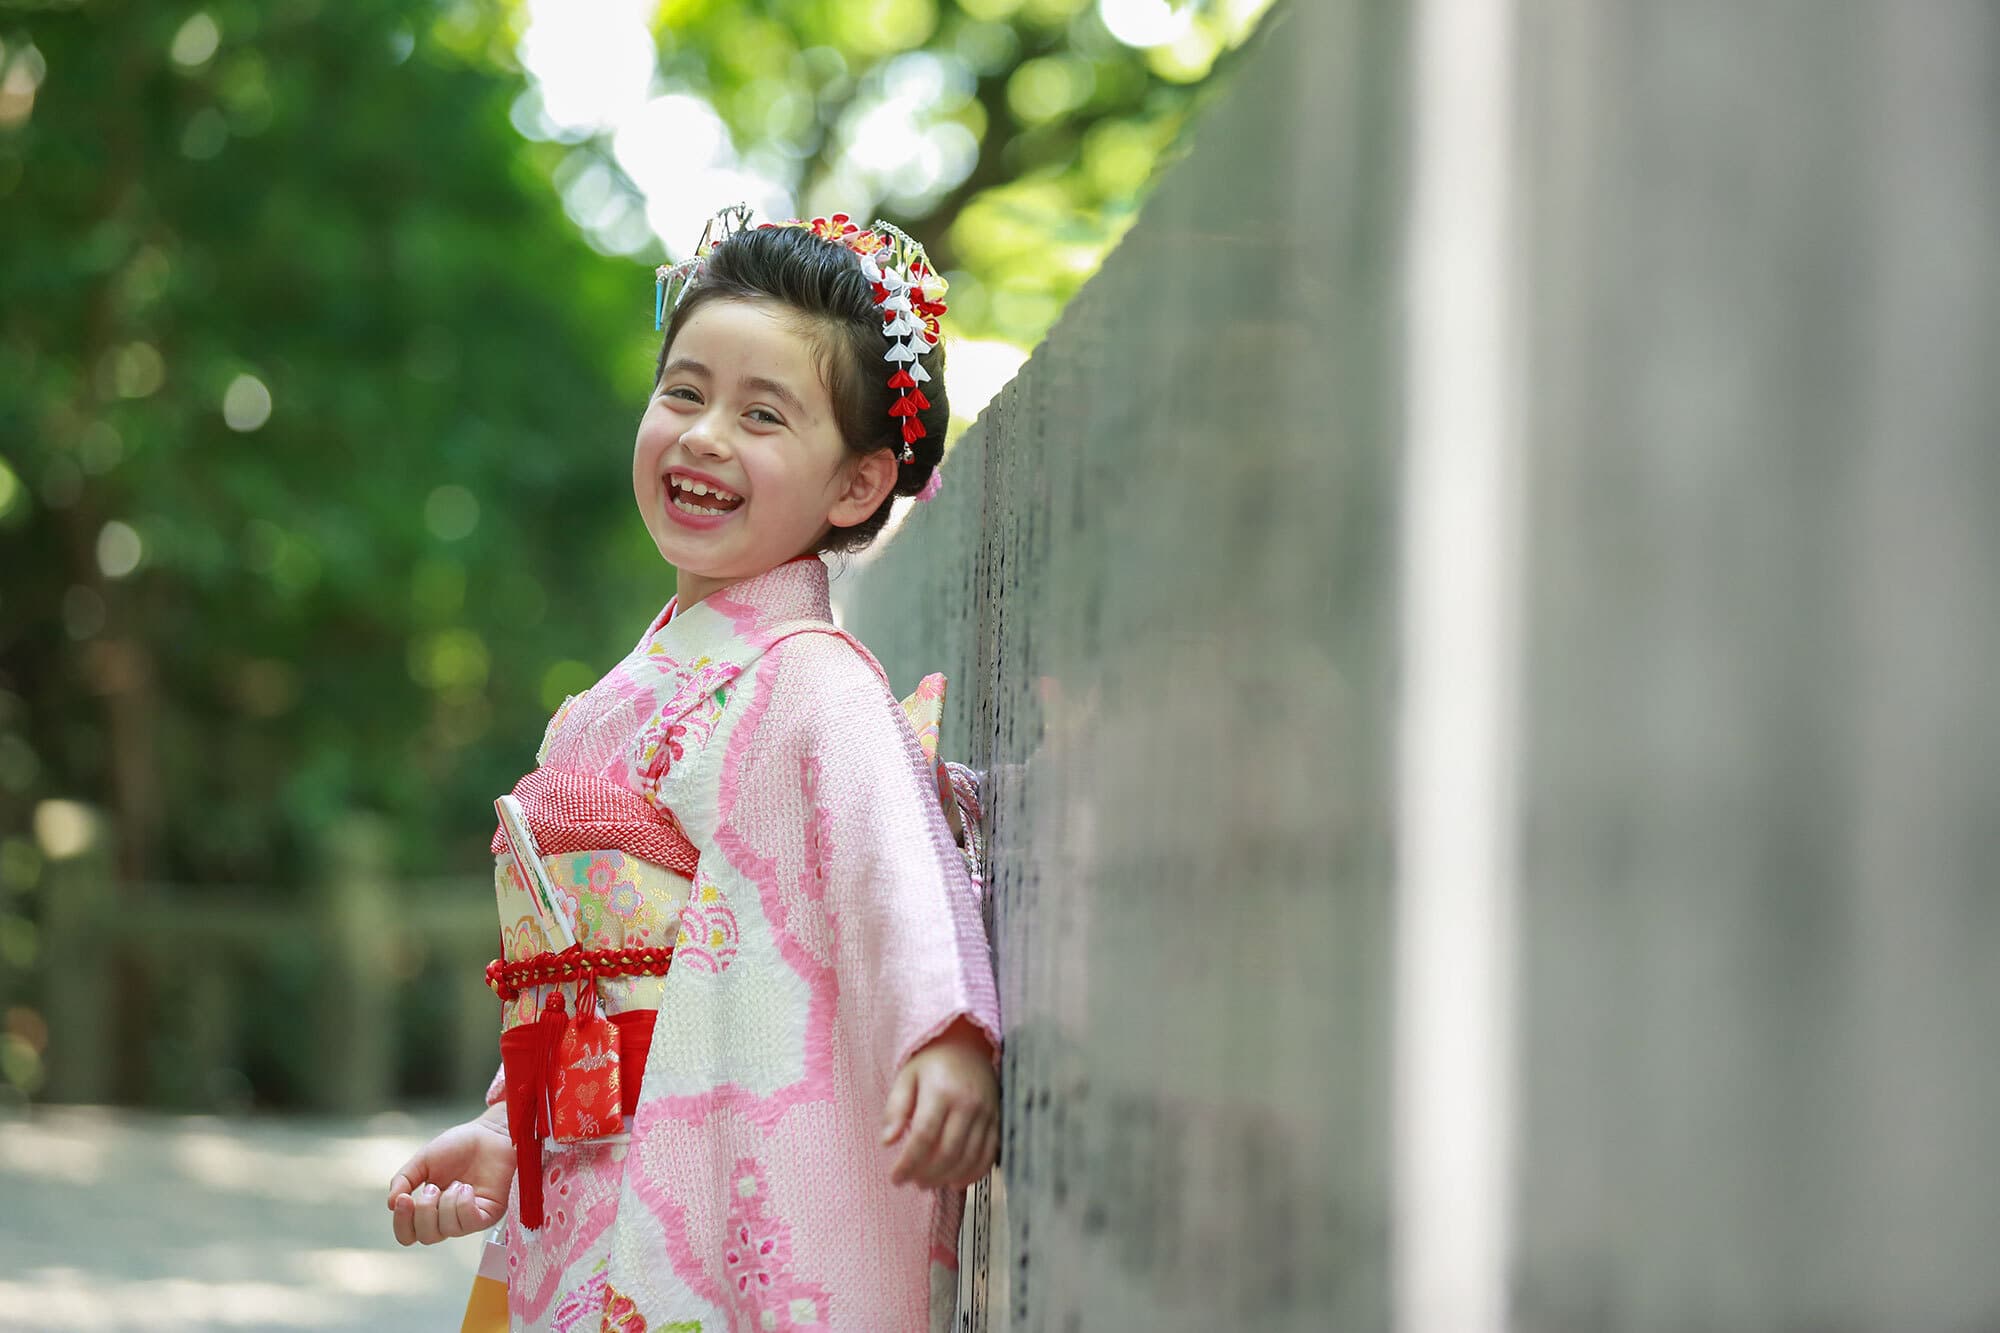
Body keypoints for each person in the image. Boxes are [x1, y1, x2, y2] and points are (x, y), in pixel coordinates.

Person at [385, 209, 1001, 1332]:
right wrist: (499, 1132)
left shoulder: (813, 685)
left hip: (717, 1188)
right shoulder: (612, 702)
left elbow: (894, 873)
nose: (704, 434)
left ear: (857, 486)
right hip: (589, 1189)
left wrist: (945, 1036)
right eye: (683, 391)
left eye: (762, 413)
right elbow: (574, 972)